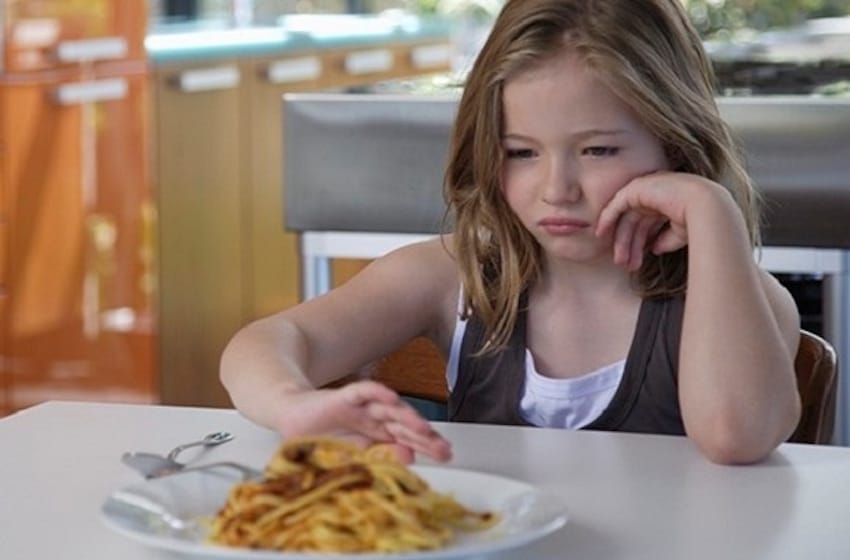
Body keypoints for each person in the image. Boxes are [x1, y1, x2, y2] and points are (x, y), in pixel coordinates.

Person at [221, 0, 802, 465]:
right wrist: (293, 405)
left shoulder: (739, 303)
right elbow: (264, 344)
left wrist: (713, 213)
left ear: (676, 142)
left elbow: (737, 437)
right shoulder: (450, 278)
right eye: (520, 152)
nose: (557, 189)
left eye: (598, 150)